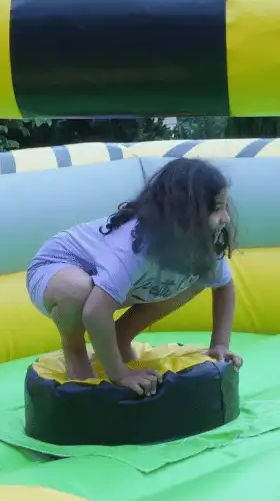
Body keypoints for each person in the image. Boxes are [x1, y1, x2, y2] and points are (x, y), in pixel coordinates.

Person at [26, 158, 242, 396]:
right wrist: (120, 374)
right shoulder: (136, 244)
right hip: (57, 268)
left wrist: (219, 345)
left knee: (197, 278)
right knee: (79, 292)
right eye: (217, 209)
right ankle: (74, 349)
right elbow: (95, 311)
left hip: (102, 281)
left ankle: (121, 337)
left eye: (225, 207)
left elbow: (224, 287)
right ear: (187, 212)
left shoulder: (202, 242)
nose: (226, 218)